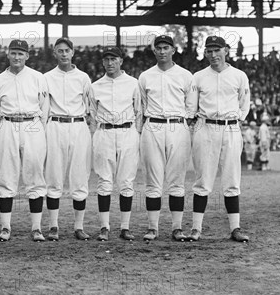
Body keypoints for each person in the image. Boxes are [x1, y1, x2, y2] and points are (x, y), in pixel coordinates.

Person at [186, 35, 251, 243]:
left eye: (217, 50)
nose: (213, 55)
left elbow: (244, 104)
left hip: (231, 128)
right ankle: (196, 229)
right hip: (206, 127)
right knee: (203, 180)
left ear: (226, 51)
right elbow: (192, 106)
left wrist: (238, 119)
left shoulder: (239, 75)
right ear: (205, 53)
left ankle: (235, 228)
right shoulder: (198, 77)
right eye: (209, 51)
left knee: (232, 180)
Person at [0, 39, 49, 242]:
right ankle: (5, 227)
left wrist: (38, 127)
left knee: (35, 175)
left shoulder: (38, 77)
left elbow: (45, 107)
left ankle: (36, 228)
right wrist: (4, 126)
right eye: (13, 53)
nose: (17, 57)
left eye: (21, 53)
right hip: (8, 124)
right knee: (6, 175)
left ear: (27, 55)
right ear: (8, 54)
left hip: (33, 124)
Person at [138, 34, 194, 242]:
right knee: (153, 180)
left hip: (178, 126)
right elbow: (142, 105)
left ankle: (177, 228)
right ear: (154, 51)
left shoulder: (186, 75)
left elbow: (191, 106)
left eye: (166, 47)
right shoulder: (145, 76)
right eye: (159, 48)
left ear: (173, 50)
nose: (162, 51)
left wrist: (181, 123)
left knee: (177, 180)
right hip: (153, 125)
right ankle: (153, 228)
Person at [90, 46, 142, 241]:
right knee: (104, 181)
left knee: (126, 181)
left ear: (121, 61)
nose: (110, 63)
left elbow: (139, 112)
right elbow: (92, 114)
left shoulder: (134, 83)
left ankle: (125, 227)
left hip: (128, 131)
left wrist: (134, 133)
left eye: (114, 59)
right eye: (106, 59)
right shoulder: (95, 86)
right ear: (103, 62)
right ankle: (104, 227)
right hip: (104, 132)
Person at [43, 37, 93, 241]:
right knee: (54, 177)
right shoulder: (46, 77)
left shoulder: (83, 77)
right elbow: (43, 105)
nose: (63, 54)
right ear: (54, 53)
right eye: (59, 51)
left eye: (67, 50)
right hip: (55, 125)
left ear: (73, 53)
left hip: (79, 125)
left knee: (79, 177)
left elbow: (90, 106)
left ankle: (78, 226)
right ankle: (53, 226)